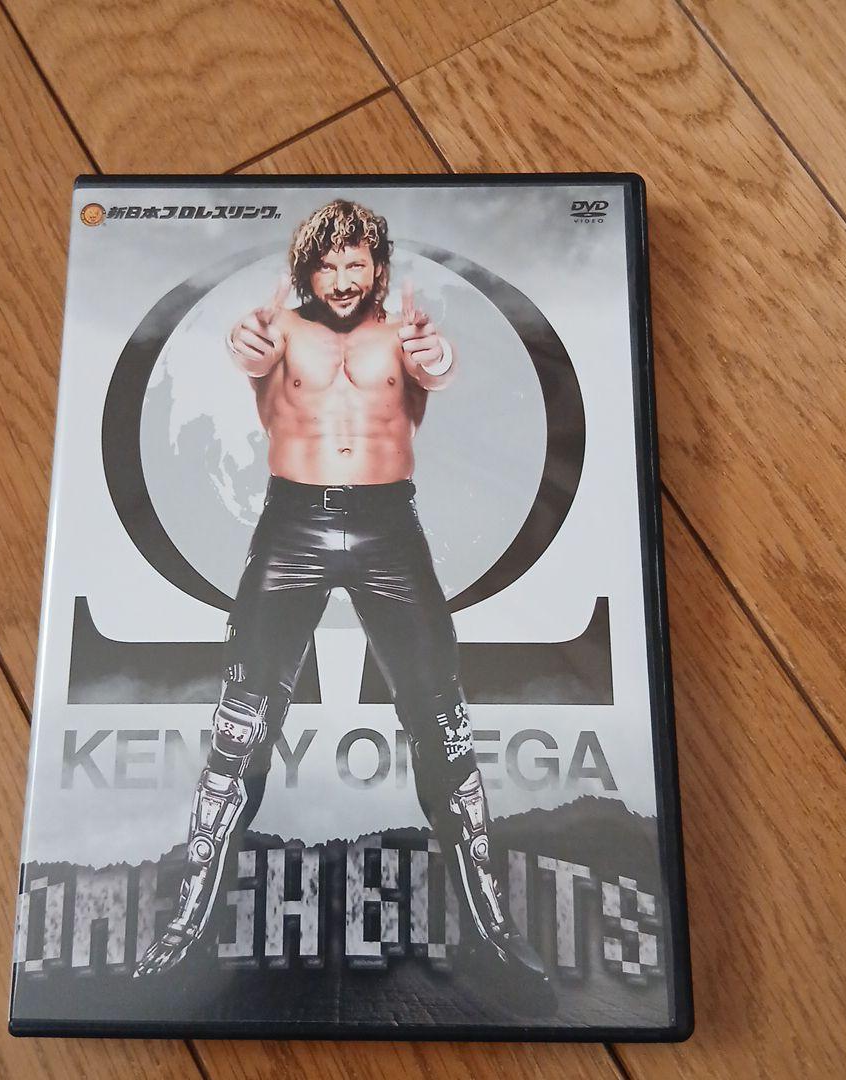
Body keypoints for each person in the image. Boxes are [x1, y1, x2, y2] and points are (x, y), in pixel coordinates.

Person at [135, 199, 544, 981]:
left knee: (445, 726)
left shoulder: (404, 336)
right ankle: (186, 930)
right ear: (307, 271)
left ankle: (495, 933)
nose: (344, 279)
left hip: (390, 529)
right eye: (328, 266)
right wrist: (246, 344)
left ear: (377, 268)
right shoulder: (283, 331)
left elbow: (438, 369)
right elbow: (250, 352)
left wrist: (437, 354)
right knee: (238, 732)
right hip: (292, 527)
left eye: (356, 263)